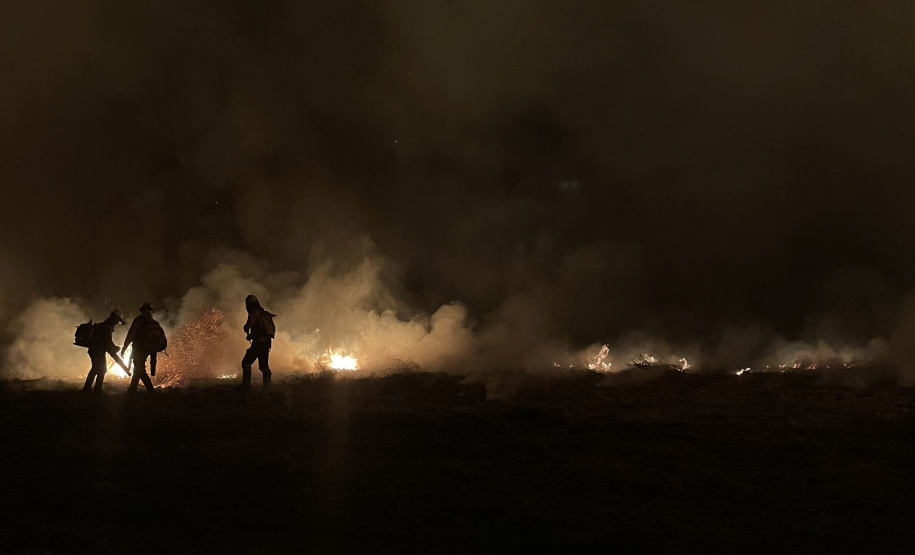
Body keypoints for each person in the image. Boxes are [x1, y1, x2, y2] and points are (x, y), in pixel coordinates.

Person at [82, 310, 129, 393]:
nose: (117, 323)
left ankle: (88, 388)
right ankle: (96, 390)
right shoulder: (107, 327)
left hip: (95, 350)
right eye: (117, 321)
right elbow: (108, 342)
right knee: (101, 369)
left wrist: (113, 348)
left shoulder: (104, 325)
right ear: (114, 318)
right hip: (97, 351)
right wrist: (114, 349)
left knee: (95, 369)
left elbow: (107, 343)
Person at [122, 303, 164, 393]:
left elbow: (131, 333)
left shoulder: (138, 320)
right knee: (138, 368)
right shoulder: (154, 323)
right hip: (152, 348)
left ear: (142, 311)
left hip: (140, 348)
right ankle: (132, 389)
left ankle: (150, 390)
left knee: (139, 369)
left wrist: (124, 347)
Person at [241, 294, 275, 389]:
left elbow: (250, 325)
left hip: (258, 344)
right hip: (267, 343)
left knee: (246, 363)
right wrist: (251, 335)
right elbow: (261, 330)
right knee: (264, 366)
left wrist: (246, 328)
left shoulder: (253, 313)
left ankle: (245, 386)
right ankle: (266, 388)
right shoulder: (265, 314)